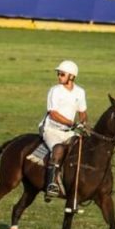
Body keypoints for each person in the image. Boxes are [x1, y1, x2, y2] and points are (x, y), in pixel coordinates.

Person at [40, 59, 87, 201]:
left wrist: (83, 123)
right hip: (51, 130)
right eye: (58, 74)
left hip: (69, 132)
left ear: (71, 76)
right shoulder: (55, 91)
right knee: (58, 149)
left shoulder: (80, 92)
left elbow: (83, 111)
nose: (59, 77)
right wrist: (72, 124)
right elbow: (53, 113)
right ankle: (51, 185)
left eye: (62, 74)